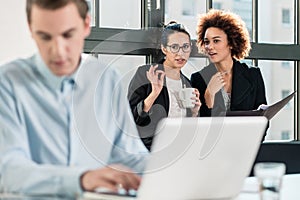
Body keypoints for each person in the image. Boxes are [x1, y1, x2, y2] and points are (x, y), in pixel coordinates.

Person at [0, 0, 148, 197]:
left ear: (86, 25)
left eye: (68, 35)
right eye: (45, 37)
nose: (58, 51)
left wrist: (176, 168)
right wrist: (81, 179)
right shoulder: (8, 82)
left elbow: (127, 155)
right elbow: (9, 171)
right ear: (30, 29)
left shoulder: (105, 78)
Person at [127, 22, 201, 151]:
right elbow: (130, 119)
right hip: (150, 151)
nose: (181, 53)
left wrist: (194, 113)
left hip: (179, 151)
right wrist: (154, 93)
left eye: (185, 47)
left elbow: (188, 129)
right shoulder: (145, 74)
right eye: (174, 47)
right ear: (164, 49)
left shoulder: (187, 84)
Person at [191, 9, 267, 117]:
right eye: (207, 42)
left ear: (231, 43)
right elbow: (198, 125)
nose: (209, 47)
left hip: (247, 134)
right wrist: (209, 95)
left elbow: (263, 119)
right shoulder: (198, 79)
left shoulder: (253, 75)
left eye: (216, 41)